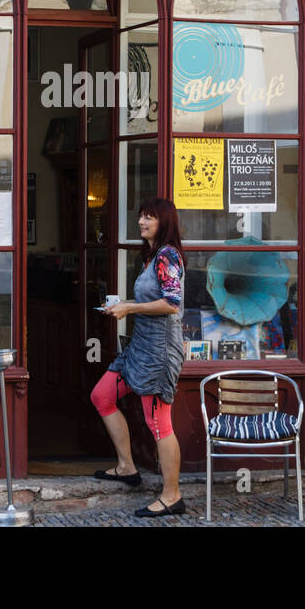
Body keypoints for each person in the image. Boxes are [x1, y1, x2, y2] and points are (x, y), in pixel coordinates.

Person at [89, 197, 188, 517]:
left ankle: (172, 496)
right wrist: (123, 305)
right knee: (102, 395)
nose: (142, 222)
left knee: (158, 422)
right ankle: (127, 466)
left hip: (159, 351)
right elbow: (154, 299)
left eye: (149, 218)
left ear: (164, 222)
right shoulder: (152, 257)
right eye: (141, 216)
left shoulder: (168, 255)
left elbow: (172, 304)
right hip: (140, 345)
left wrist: (129, 307)